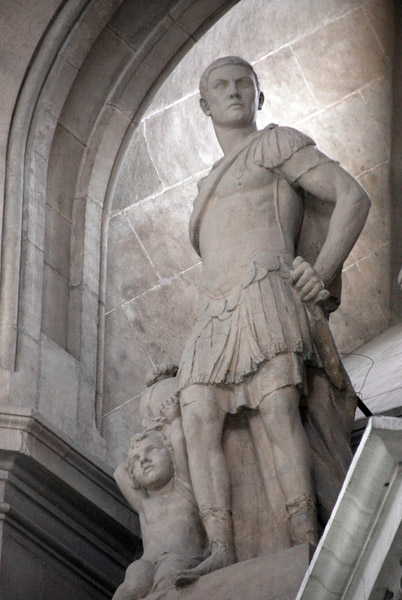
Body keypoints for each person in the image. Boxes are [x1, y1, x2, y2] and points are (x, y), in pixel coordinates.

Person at [176, 56, 371, 581]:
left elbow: (353, 195)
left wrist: (322, 272)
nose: (235, 90)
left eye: (245, 83)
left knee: (279, 407)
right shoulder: (203, 187)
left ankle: (305, 538)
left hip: (266, 289)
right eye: (221, 85)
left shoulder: (276, 143)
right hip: (214, 311)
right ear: (204, 104)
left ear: (260, 97)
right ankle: (219, 543)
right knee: (195, 414)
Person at [113, 391, 205, 600]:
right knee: (131, 584)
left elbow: (180, 445)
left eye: (151, 450)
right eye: (136, 460)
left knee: (167, 582)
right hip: (148, 562)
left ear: (170, 454)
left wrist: (173, 421)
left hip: (181, 557)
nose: (143, 460)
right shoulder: (145, 503)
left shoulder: (183, 488)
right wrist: (147, 433)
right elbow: (119, 473)